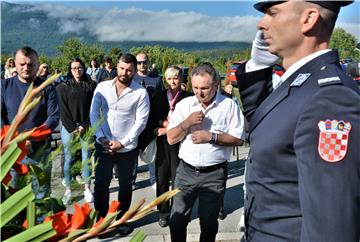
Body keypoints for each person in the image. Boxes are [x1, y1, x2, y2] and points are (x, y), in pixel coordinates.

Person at [235, 1, 360, 241]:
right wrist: (258, 67)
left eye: (272, 13)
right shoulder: (304, 83)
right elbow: (267, 129)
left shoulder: (330, 97)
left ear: (308, 19)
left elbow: (331, 228)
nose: (261, 24)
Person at [167, 63, 244, 242]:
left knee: (209, 225)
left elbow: (239, 139)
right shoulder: (184, 105)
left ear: (216, 84)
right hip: (185, 172)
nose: (199, 93)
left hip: (214, 174)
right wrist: (186, 124)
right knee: (176, 221)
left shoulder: (229, 106)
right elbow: (171, 138)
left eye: (204, 88)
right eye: (195, 87)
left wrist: (212, 136)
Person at [89, 53, 149, 235]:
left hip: (127, 148)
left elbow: (141, 122)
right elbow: (94, 113)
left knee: (125, 185)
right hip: (103, 145)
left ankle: (122, 220)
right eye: (122, 68)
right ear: (117, 66)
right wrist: (100, 137)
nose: (125, 72)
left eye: (129, 70)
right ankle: (102, 222)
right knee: (101, 184)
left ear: (134, 71)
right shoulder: (102, 87)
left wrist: (122, 143)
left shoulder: (140, 92)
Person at [1, 46, 59, 198]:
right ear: (14, 64)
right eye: (22, 64)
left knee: (41, 195)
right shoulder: (4, 86)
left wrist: (31, 139)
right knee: (13, 197)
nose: (26, 67)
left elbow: (53, 118)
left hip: (39, 151)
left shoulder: (47, 88)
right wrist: (16, 141)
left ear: (37, 64)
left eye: (30, 64)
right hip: (12, 153)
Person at [150, 66, 191, 227]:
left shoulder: (188, 97)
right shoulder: (159, 96)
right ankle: (164, 211)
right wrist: (161, 123)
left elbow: (190, 120)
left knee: (178, 178)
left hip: (180, 143)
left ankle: (178, 210)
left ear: (181, 79)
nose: (173, 81)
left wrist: (168, 128)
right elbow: (152, 117)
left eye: (176, 77)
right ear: (165, 80)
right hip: (163, 143)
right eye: (169, 78)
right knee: (162, 177)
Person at [56, 58, 97, 205]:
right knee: (69, 159)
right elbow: (63, 109)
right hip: (69, 128)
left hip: (86, 127)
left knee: (86, 159)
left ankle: (87, 188)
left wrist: (84, 125)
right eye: (74, 68)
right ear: (70, 69)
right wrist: (72, 128)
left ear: (83, 68)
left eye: (79, 68)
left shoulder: (91, 85)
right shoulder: (63, 86)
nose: (77, 70)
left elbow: (94, 107)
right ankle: (68, 189)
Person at [133, 52, 165, 189]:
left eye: (144, 62)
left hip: (151, 120)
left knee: (152, 151)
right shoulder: (131, 77)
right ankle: (131, 180)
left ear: (148, 62)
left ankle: (154, 179)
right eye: (139, 62)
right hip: (134, 120)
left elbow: (162, 99)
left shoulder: (157, 79)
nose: (142, 65)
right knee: (133, 150)